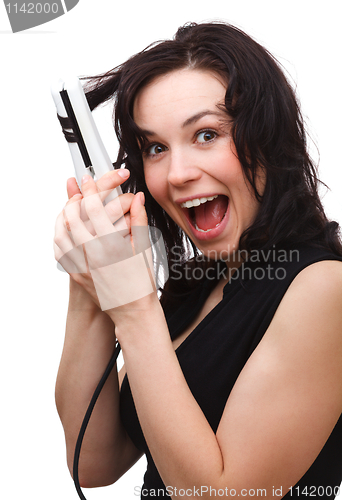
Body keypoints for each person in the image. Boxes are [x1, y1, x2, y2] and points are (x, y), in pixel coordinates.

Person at [54, 22, 342, 499]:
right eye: (156, 148)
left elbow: (222, 495)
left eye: (207, 134)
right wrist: (89, 287)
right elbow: (94, 461)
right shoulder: (196, 288)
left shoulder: (324, 289)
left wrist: (133, 307)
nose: (179, 173)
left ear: (268, 140)